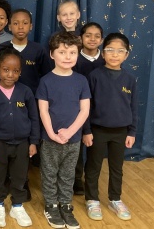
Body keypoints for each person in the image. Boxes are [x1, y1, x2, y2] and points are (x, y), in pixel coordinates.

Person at [36, 31, 91, 229]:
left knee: (68, 174)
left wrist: (69, 132)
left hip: (73, 139)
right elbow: (43, 110)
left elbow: (84, 111)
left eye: (72, 53)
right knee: (50, 172)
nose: (67, 57)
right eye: (62, 52)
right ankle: (51, 205)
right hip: (50, 138)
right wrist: (51, 133)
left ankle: (65, 205)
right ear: (52, 54)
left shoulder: (81, 80)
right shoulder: (45, 81)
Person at [0, 48, 39, 227]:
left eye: (15, 71)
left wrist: (34, 142)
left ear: (20, 72)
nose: (10, 74)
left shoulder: (26, 92)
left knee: (20, 175)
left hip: (23, 143)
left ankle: (17, 205)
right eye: (6, 70)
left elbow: (34, 118)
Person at [83, 33, 137, 222]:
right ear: (103, 53)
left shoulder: (130, 79)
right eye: (110, 50)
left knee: (117, 167)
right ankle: (91, 199)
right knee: (93, 166)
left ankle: (115, 198)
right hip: (97, 130)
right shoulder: (94, 76)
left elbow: (133, 107)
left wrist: (131, 131)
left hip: (120, 132)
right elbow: (86, 107)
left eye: (120, 51)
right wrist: (87, 130)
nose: (115, 55)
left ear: (126, 55)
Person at [0, 9, 52, 95]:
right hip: (4, 102)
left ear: (31, 26)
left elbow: (47, 78)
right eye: (16, 23)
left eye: (25, 23)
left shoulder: (39, 50)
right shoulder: (1, 49)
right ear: (9, 27)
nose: (20, 27)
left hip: (31, 101)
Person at [72, 22, 105, 195]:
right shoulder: (74, 59)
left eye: (97, 36)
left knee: (94, 148)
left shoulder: (106, 60)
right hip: (77, 109)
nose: (92, 39)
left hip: (99, 112)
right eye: (88, 35)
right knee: (76, 148)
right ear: (80, 38)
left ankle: (90, 180)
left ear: (101, 39)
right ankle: (76, 179)